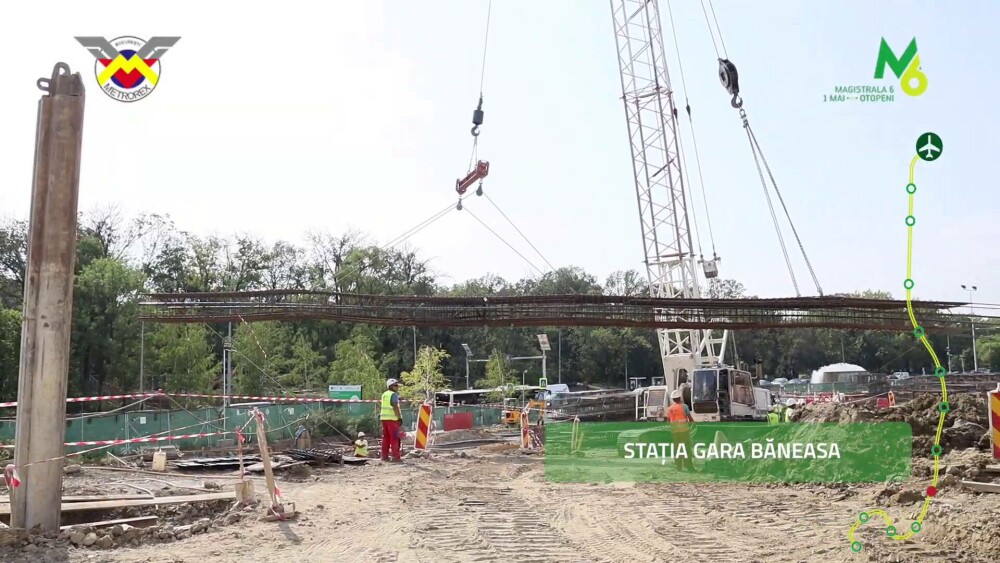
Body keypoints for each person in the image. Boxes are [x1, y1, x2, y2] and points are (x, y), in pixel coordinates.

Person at [666, 389, 695, 471]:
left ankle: (678, 466)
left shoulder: (669, 409)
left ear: (673, 399)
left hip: (675, 432)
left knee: (677, 449)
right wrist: (692, 425)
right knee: (686, 449)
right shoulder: (684, 406)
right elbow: (690, 418)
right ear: (680, 398)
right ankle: (689, 466)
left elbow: (668, 421)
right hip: (684, 431)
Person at [380, 378, 404, 462]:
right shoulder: (393, 395)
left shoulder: (384, 394)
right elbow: (394, 406)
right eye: (396, 385)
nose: (397, 387)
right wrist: (399, 417)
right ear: (391, 386)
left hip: (384, 419)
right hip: (392, 420)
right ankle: (395, 457)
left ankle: (384, 456)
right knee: (394, 438)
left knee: (385, 438)